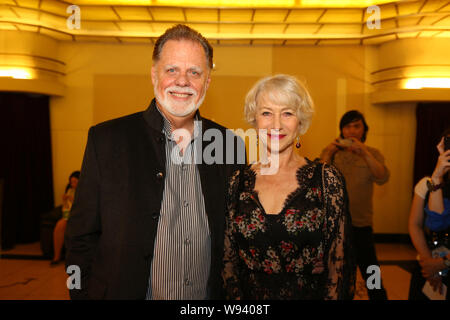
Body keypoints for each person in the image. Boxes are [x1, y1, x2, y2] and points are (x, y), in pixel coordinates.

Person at [65, 24, 245, 300]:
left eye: (194, 72)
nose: (183, 81)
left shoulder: (230, 146)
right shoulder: (107, 141)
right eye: (172, 69)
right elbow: (80, 238)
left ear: (207, 82)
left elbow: (240, 237)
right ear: (153, 75)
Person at [222, 74, 355, 300]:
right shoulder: (237, 182)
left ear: (300, 122)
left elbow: (339, 267)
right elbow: (228, 264)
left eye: (287, 113)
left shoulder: (326, 180)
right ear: (254, 120)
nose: (276, 124)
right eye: (266, 113)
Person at [320, 110, 389, 300]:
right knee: (337, 275)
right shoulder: (332, 153)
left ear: (364, 130)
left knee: (372, 273)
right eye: (347, 126)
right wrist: (328, 152)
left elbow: (382, 176)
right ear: (341, 130)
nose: (351, 130)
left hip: (362, 226)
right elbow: (320, 179)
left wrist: (364, 152)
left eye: (356, 126)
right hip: (335, 226)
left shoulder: (373, 154)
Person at [408, 128, 450, 300]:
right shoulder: (428, 183)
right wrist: (429, 264)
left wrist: (442, 263)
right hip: (427, 266)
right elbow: (426, 224)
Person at [50, 171, 80, 265]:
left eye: (75, 182)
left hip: (80, 216)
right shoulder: (69, 190)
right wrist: (65, 201)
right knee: (60, 225)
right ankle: (56, 256)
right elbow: (66, 209)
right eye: (71, 182)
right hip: (69, 216)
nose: (73, 184)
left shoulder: (85, 191)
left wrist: (74, 201)